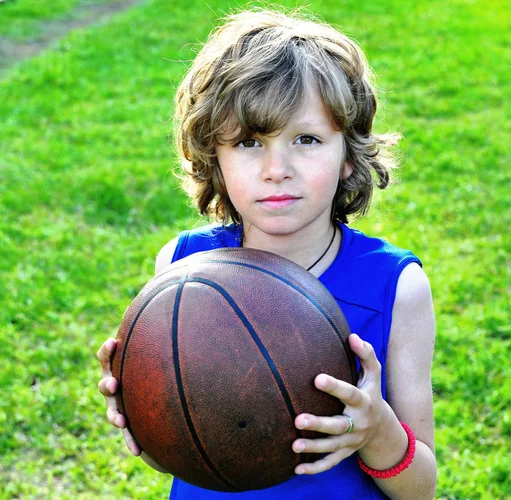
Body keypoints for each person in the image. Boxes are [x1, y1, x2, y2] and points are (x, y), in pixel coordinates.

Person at [97, 8, 437, 499]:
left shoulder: (394, 287)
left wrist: (377, 431)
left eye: (306, 139)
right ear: (214, 156)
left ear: (349, 156)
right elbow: (192, 442)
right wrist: (149, 409)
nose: (277, 169)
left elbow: (421, 489)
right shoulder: (181, 269)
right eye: (250, 141)